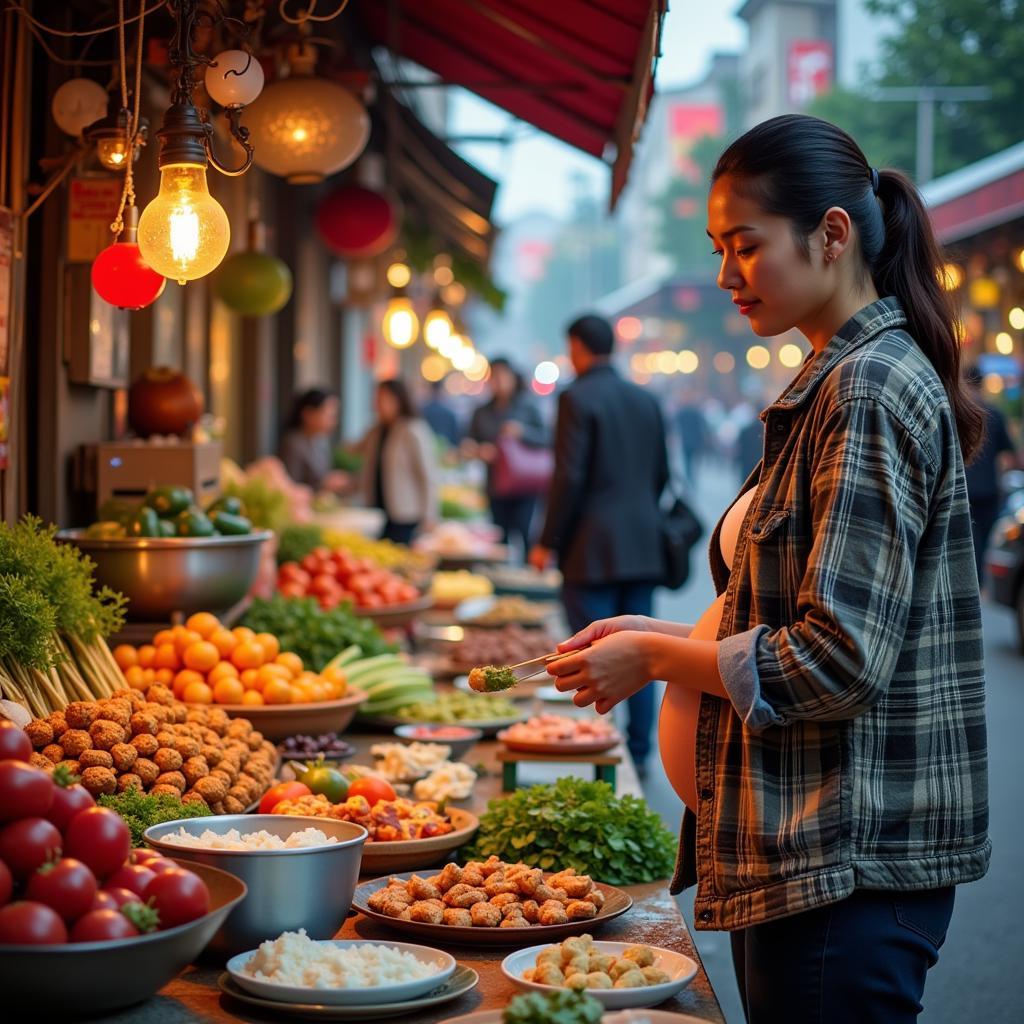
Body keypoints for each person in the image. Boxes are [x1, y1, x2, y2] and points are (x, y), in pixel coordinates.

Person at [545, 115, 990, 1023]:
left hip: (843, 860)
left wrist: (660, 663)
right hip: (795, 847)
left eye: (744, 247)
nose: (724, 276)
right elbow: (780, 611)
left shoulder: (866, 389)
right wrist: (655, 634)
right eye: (718, 249)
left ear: (831, 233)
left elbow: (839, 657)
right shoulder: (833, 378)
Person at [529, 314, 669, 771]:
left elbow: (567, 476)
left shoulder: (576, 397)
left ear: (577, 347)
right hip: (643, 545)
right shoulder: (646, 399)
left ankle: (597, 749)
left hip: (591, 549)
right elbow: (663, 475)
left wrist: (547, 540)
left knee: (589, 654)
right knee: (640, 653)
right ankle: (639, 752)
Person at [465, 358, 547, 555]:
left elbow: (548, 438)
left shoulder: (527, 407)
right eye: (494, 376)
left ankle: (528, 577)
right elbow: (468, 443)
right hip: (495, 483)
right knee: (498, 535)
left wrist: (522, 433)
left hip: (524, 483)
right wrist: (480, 451)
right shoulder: (481, 411)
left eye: (503, 376)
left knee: (525, 534)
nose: (499, 381)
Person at [357, 379, 438, 545]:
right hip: (377, 509)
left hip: (405, 513)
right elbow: (361, 458)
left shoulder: (413, 429)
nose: (378, 404)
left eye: (383, 399)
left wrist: (430, 515)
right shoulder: (377, 430)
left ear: (399, 400)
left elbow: (428, 475)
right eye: (377, 399)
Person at [963, 366, 1017, 583]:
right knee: (983, 543)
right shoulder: (994, 413)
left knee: (964, 541)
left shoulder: (958, 411)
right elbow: (1011, 455)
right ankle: (978, 585)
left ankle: (968, 583)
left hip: (963, 489)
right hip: (988, 491)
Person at [279, 388, 347, 492]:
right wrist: (324, 484)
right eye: (329, 415)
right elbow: (290, 486)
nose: (334, 421)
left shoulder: (321, 441)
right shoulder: (293, 443)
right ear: (308, 414)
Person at [676, 391, 709, 487]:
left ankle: (689, 478)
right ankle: (692, 479)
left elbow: (676, 425)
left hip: (686, 440)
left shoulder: (682, 412)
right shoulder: (696, 412)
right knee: (694, 461)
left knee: (687, 461)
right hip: (695, 441)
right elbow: (703, 425)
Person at [421, 377, 461, 448]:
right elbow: (455, 438)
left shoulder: (423, 411)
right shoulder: (449, 413)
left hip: (428, 448)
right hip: (448, 450)